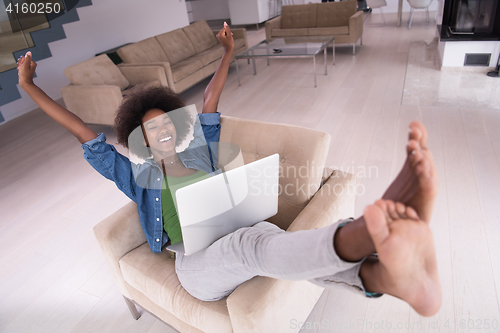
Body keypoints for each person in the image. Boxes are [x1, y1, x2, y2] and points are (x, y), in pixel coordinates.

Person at [17, 23, 442, 317]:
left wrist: (227, 52)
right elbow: (84, 135)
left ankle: (381, 274)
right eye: (150, 131)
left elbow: (209, 103)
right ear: (140, 142)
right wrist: (30, 87)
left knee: (267, 237)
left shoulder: (201, 152)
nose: (161, 131)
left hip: (243, 233)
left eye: (165, 122)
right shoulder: (138, 177)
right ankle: (363, 233)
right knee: (250, 246)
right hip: (196, 266)